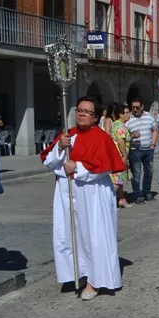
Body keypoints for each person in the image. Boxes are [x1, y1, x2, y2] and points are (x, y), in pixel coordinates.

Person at [40, 96, 126, 300]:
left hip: (92, 192)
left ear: (96, 117)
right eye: (79, 110)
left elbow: (103, 168)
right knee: (67, 235)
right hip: (67, 191)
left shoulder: (101, 137)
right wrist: (60, 148)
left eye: (87, 111)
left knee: (92, 237)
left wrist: (77, 167)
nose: (81, 114)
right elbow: (49, 162)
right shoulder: (68, 134)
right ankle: (75, 274)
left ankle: (95, 281)